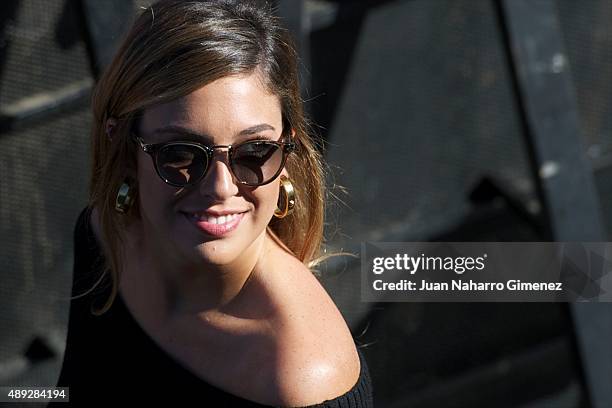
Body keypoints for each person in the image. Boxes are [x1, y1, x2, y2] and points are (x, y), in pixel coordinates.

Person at [52, 0, 374, 406]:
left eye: (254, 152)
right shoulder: (106, 237)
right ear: (123, 149)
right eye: (181, 154)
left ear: (287, 152)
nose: (221, 188)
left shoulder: (299, 381)